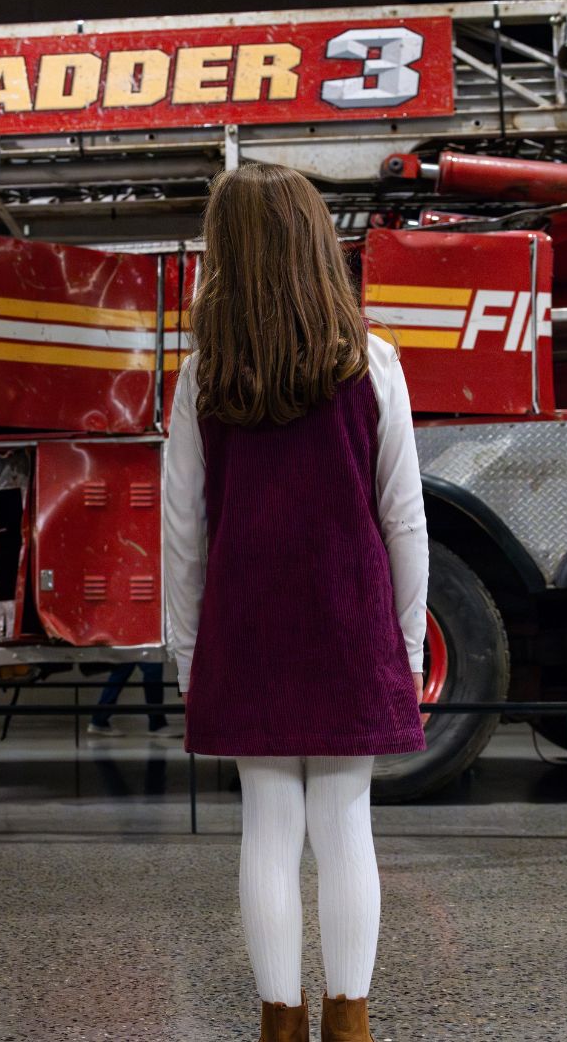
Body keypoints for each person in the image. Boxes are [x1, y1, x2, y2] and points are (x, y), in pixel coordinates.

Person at [162, 164, 428, 1042]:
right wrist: (408, 648)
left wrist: (186, 655)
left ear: (226, 253)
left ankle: (279, 1025)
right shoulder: (373, 364)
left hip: (246, 633)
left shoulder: (203, 378)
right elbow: (405, 523)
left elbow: (182, 536)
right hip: (351, 626)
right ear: (319, 245)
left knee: (268, 827)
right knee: (346, 820)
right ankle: (350, 1024)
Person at [85, 661, 181, 738]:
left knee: (122, 670)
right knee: (152, 669)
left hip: (129, 639)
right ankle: (157, 723)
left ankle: (99, 719)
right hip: (142, 640)